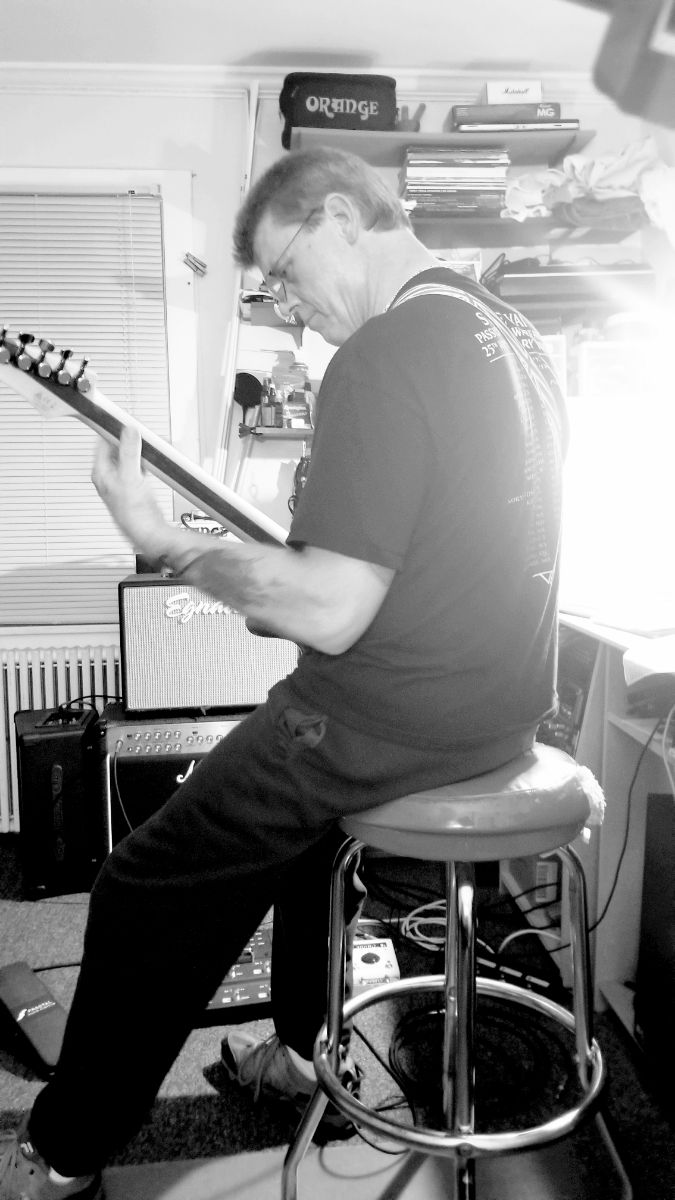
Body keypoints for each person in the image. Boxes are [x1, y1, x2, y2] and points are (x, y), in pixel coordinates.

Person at [0, 146, 567, 1199]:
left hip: (386, 717)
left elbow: (327, 611)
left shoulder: (386, 353)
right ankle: (309, 1054)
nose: (288, 305)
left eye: (285, 273)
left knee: (141, 885)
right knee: (307, 850)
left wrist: (167, 543)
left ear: (341, 218)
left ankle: (64, 1150)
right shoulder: (509, 333)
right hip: (501, 711)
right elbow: (429, 551)